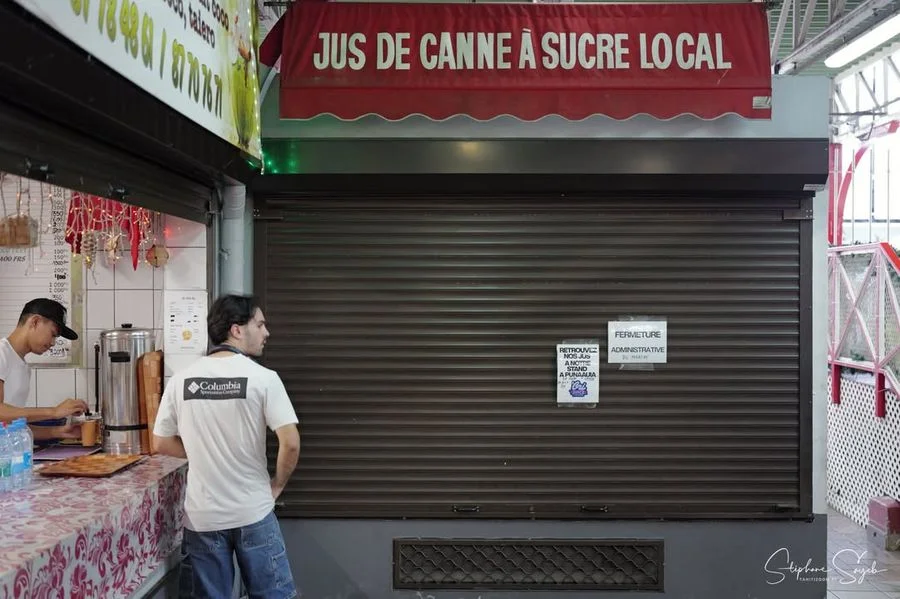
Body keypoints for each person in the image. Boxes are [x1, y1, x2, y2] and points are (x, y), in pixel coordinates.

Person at [153, 294, 300, 598]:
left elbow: (161, 442)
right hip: (253, 511)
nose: (266, 333)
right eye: (260, 324)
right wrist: (277, 485)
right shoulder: (264, 378)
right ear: (237, 329)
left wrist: (200, 450)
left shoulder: (182, 380)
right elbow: (291, 443)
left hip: (203, 516)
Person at [0, 298, 87, 440]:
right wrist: (54, 412)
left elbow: (13, 426)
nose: (53, 343)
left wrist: (59, 432)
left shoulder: (22, 366)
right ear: (35, 321)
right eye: (53, 334)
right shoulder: (2, 353)